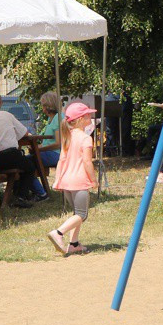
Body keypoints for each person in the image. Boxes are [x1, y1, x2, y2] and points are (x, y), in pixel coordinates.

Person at [47, 102, 98, 255]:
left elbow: (61, 160)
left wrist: (57, 180)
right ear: (81, 119)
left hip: (67, 182)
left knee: (77, 214)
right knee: (82, 215)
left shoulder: (67, 137)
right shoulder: (85, 138)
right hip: (79, 182)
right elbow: (87, 162)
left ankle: (74, 244)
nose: (91, 116)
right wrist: (94, 180)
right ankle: (58, 233)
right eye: (88, 115)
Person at [0, 92, 37, 207]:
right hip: (10, 156)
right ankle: (20, 196)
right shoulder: (7, 115)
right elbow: (24, 133)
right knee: (30, 167)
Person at [28, 91, 61, 199]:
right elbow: (48, 141)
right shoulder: (51, 119)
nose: (42, 108)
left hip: (57, 154)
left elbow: (58, 143)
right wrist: (37, 148)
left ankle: (40, 193)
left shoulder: (58, 118)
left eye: (43, 105)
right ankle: (35, 191)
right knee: (25, 161)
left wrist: (39, 150)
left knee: (25, 163)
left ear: (48, 106)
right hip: (50, 153)